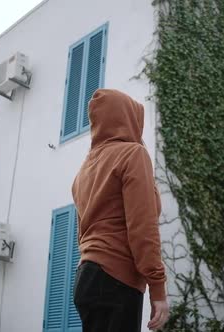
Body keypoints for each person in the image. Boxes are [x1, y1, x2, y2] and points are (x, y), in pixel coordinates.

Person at [71, 89, 169, 332]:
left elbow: (82, 235)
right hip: (117, 279)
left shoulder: (84, 171)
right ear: (126, 118)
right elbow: (142, 227)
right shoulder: (132, 154)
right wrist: (158, 289)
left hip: (86, 278)